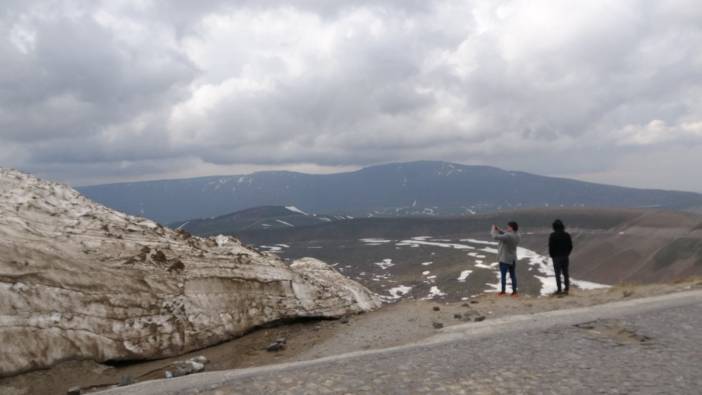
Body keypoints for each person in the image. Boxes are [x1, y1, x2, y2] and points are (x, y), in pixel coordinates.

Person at [491, 221, 520, 296]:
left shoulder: (508, 236)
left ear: (512, 227)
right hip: (512, 258)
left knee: (503, 276)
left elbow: (495, 237)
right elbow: (505, 234)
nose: (507, 228)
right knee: (513, 275)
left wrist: (493, 230)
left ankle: (503, 291)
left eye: (508, 227)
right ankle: (514, 292)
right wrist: (499, 230)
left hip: (504, 259)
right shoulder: (517, 235)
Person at [549, 219, 573, 295]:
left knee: (557, 274)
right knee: (565, 273)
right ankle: (566, 289)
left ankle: (559, 290)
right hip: (565, 256)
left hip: (556, 257)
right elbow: (570, 246)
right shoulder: (567, 235)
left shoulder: (552, 236)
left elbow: (551, 247)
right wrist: (567, 253)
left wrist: (552, 255)